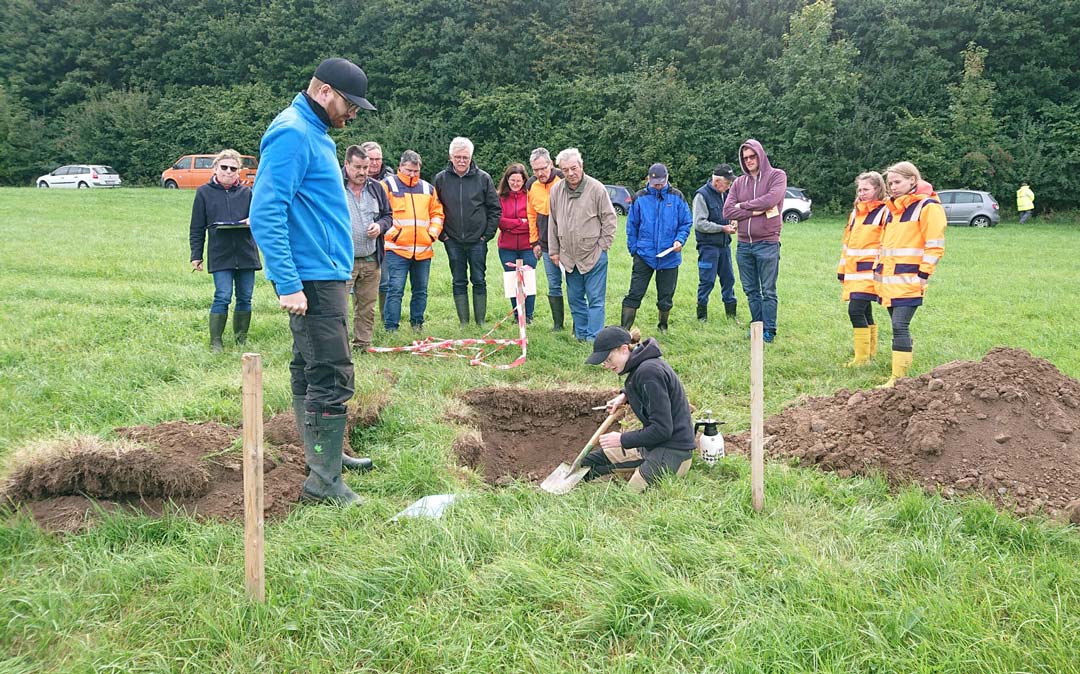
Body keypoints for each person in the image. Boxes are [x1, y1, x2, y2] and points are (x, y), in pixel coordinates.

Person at [250, 57, 376, 505]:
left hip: (327, 273)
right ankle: (323, 484)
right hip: (312, 278)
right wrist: (287, 283)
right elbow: (266, 212)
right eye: (350, 104)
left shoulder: (317, 134)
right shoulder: (292, 132)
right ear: (324, 92)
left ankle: (326, 457)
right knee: (331, 373)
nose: (354, 114)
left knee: (310, 367)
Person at [582, 326, 696, 493]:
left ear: (623, 349)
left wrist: (622, 439)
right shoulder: (641, 367)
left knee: (630, 496)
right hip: (651, 446)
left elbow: (662, 430)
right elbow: (643, 386)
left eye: (608, 359)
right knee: (589, 463)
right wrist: (625, 395)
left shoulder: (649, 372)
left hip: (673, 451)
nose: (606, 365)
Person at [878, 161, 946, 387]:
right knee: (896, 326)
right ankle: (900, 368)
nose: (893, 187)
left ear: (912, 181)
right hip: (890, 282)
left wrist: (923, 275)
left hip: (910, 279)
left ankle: (898, 379)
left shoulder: (928, 207)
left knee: (900, 325)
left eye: (897, 182)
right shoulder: (892, 209)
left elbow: (934, 245)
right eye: (890, 184)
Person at [189, 149, 260, 353]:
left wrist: (252, 220)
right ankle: (216, 341)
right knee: (223, 295)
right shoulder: (203, 192)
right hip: (220, 253)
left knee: (245, 297)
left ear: (239, 171)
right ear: (215, 168)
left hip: (246, 253)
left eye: (233, 169)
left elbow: (260, 220)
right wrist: (196, 255)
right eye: (224, 167)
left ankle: (241, 339)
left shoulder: (247, 193)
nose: (229, 172)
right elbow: (196, 226)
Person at [548, 147, 617, 342]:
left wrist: (603, 245)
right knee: (575, 298)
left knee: (595, 300)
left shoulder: (596, 188)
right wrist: (554, 251)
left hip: (594, 254)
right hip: (568, 257)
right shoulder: (555, 191)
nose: (570, 173)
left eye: (573, 168)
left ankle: (593, 338)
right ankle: (581, 334)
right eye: (565, 169)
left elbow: (610, 219)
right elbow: (552, 222)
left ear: (581, 165)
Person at [723, 139, 787, 343]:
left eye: (752, 156)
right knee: (751, 290)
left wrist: (742, 207)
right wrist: (754, 211)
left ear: (760, 155)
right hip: (743, 244)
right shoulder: (739, 183)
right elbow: (727, 210)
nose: (749, 160)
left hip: (767, 242)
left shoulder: (777, 176)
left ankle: (769, 330)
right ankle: (756, 326)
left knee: (768, 290)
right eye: (745, 158)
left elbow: (771, 200)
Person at [434, 137, 501, 327]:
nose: (462, 161)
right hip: (452, 239)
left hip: (477, 240)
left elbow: (494, 208)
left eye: (466, 157)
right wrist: (443, 236)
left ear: (471, 157)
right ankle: (464, 321)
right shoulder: (441, 179)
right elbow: (434, 208)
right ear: (450, 157)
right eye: (458, 157)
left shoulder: (483, 178)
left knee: (479, 279)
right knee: (458, 280)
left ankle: (480, 321)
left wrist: (486, 235)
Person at [620, 163, 692, 333]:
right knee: (635, 293)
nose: (658, 185)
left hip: (669, 257)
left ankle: (663, 326)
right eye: (655, 183)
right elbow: (632, 226)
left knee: (666, 296)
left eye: (661, 181)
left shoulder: (678, 197)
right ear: (648, 180)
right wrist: (634, 250)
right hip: (644, 255)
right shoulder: (640, 197)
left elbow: (686, 223)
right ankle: (624, 329)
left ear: (667, 178)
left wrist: (679, 240)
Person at [381, 150, 445, 332]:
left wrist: (431, 235)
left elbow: (437, 214)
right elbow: (378, 213)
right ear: (400, 167)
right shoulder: (387, 185)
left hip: (423, 250)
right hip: (397, 249)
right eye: (408, 170)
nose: (412, 174)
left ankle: (417, 323)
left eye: (416, 171)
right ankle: (391, 327)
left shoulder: (427, 188)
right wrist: (394, 234)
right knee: (395, 290)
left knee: (421, 290)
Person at [343, 144, 393, 350]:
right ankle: (340, 347)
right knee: (339, 308)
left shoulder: (376, 188)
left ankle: (363, 344)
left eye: (365, 167)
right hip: (343, 261)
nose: (363, 172)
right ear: (346, 165)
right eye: (358, 167)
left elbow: (388, 216)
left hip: (372, 258)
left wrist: (380, 227)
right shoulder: (334, 187)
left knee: (367, 307)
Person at [838, 171, 889, 366]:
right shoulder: (856, 212)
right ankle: (870, 352)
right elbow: (848, 243)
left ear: (878, 189)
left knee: (855, 310)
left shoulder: (885, 211)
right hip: (854, 272)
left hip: (870, 272)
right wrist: (842, 268)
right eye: (859, 189)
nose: (862, 193)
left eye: (866, 189)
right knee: (865, 310)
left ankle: (861, 358)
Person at [692, 164, 739, 323]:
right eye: (727, 183)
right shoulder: (701, 196)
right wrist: (722, 228)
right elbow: (700, 223)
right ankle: (702, 317)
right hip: (708, 247)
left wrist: (732, 221)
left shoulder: (725, 194)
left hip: (724, 246)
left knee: (729, 279)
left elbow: (729, 213)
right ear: (717, 181)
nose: (729, 186)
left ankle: (731, 317)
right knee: (707, 281)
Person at [527, 148, 565, 331]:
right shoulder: (531, 185)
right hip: (546, 245)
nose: (540, 173)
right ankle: (558, 324)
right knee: (553, 285)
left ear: (551, 164)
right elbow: (531, 214)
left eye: (543, 168)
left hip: (567, 244)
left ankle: (580, 325)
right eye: (535, 170)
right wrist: (535, 242)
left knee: (575, 287)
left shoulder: (563, 180)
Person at [495, 162, 537, 322]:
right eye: (512, 180)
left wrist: (512, 225)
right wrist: (521, 223)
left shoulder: (530, 196)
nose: (515, 184)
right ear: (507, 180)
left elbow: (533, 222)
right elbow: (500, 221)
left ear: (524, 180)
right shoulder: (500, 197)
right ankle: (517, 315)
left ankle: (529, 316)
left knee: (528, 281)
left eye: (518, 181)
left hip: (529, 246)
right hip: (507, 248)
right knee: (512, 281)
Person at [361, 140, 394, 321]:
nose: (375, 163)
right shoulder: (352, 180)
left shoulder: (390, 180)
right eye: (371, 159)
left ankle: (383, 316)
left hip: (387, 237)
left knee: (385, 281)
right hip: (360, 237)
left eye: (378, 159)